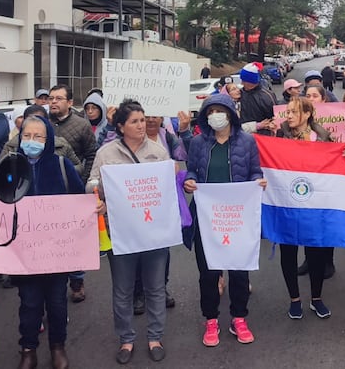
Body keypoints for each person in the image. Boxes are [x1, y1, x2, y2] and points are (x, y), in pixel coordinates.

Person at [183, 93, 266, 347]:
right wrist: (189, 180)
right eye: (209, 112)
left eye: (219, 110)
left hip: (237, 217)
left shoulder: (247, 142)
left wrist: (256, 182)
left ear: (230, 113)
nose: (214, 116)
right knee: (208, 273)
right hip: (207, 218)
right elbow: (192, 168)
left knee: (239, 272)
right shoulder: (198, 142)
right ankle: (211, 319)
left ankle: (239, 318)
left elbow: (255, 170)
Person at [91, 100, 171, 364]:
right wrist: (95, 196)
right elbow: (93, 183)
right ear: (121, 126)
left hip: (153, 233)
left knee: (155, 288)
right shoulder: (106, 154)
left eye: (143, 119)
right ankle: (126, 339)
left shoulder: (158, 152)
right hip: (120, 233)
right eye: (135, 121)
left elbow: (168, 190)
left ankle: (155, 337)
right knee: (122, 290)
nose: (141, 125)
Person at [14, 116, 85, 369]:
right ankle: (28, 348)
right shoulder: (10, 166)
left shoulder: (62, 165)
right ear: (20, 137)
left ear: (49, 140)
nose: (32, 141)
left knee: (56, 302)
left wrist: (93, 207)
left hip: (58, 253)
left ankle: (58, 346)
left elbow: (80, 201)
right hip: (25, 253)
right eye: (27, 136)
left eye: (38, 137)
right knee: (30, 303)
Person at [276, 97, 334, 319]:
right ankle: (295, 299)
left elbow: (332, 167)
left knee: (316, 251)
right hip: (287, 203)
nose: (288, 115)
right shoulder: (280, 136)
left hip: (314, 204)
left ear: (308, 114)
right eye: (287, 112)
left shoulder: (322, 137)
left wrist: (342, 155)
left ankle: (316, 298)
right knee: (288, 251)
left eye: (293, 112)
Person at [130, 112, 193, 314]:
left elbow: (183, 155)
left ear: (161, 119)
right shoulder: (131, 138)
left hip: (162, 201)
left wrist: (184, 130)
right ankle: (139, 292)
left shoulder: (167, 137)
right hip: (137, 200)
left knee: (162, 248)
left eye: (155, 116)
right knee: (138, 247)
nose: (150, 120)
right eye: (145, 116)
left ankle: (160, 288)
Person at [48, 84, 98, 303]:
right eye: (51, 98)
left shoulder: (81, 126)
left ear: (69, 103)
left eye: (59, 98)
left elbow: (91, 154)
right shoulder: (42, 124)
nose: (53, 102)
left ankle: (77, 280)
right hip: (46, 194)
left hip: (72, 191)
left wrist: (83, 182)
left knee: (73, 239)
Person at [0, 106, 82, 175]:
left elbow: (78, 167)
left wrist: (63, 170)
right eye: (31, 120)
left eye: (40, 121)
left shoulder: (61, 145)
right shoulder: (11, 146)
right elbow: (0, 171)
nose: (35, 125)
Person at [238, 64, 276, 136]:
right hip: (244, 134)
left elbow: (276, 117)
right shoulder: (239, 93)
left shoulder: (267, 96)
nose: (241, 83)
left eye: (244, 80)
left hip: (263, 136)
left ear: (251, 81)